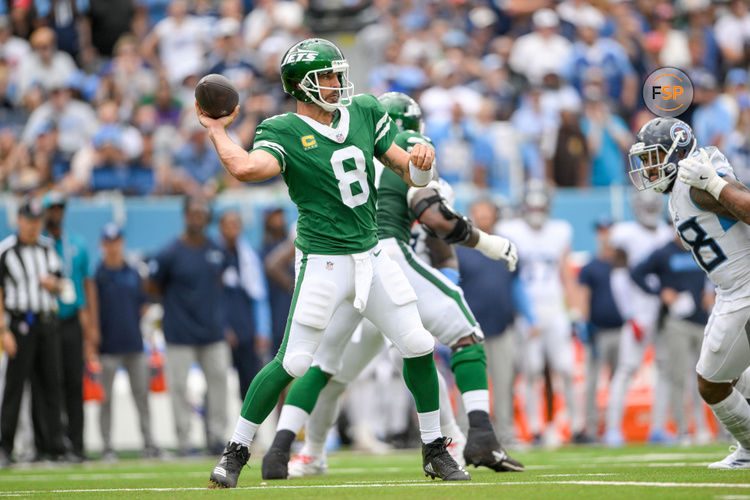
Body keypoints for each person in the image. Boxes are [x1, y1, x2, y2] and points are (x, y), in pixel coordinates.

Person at [199, 38, 471, 487]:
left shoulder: (363, 110)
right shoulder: (282, 129)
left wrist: (423, 163)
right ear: (300, 86)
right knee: (294, 362)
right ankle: (236, 451)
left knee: (418, 344)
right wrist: (216, 130)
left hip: (372, 253)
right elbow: (246, 169)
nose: (336, 83)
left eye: (337, 74)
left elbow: (410, 172)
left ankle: (434, 450)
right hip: (324, 259)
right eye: (325, 76)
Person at [261, 93, 522, 480]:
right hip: (389, 265)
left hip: (344, 262)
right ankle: (473, 437)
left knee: (325, 369)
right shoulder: (408, 146)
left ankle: (290, 450)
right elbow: (434, 217)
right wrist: (487, 243)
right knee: (452, 339)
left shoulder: (347, 144)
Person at [627, 116, 750, 468]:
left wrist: (714, 184)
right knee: (736, 375)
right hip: (733, 290)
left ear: (677, 151)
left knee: (712, 383)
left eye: (654, 157)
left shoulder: (697, 183)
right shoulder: (689, 179)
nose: (648, 167)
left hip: (743, 289)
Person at [146, 196, 231, 456]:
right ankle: (184, 441)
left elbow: (218, 280)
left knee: (218, 385)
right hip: (179, 332)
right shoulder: (169, 253)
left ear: (207, 217)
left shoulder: (217, 250)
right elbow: (151, 286)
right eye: (192, 213)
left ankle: (216, 437)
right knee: (180, 388)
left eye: (201, 213)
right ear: (185, 216)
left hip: (212, 331)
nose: (197, 217)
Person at [498, 181, 581, 447]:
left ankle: (575, 426)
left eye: (540, 205)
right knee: (531, 370)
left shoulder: (559, 231)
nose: (535, 210)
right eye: (531, 205)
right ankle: (535, 428)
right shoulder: (510, 230)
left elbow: (565, 272)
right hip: (527, 310)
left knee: (566, 368)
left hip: (555, 306)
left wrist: (575, 310)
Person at [457, 199, 536, 446]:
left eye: (486, 213)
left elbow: (516, 285)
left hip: (502, 326)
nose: (482, 217)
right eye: (478, 213)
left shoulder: (505, 246)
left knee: (504, 384)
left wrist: (530, 317)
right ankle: (464, 434)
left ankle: (505, 434)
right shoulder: (459, 248)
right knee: (468, 384)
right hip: (469, 329)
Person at [604, 189, 673, 446]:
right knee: (626, 369)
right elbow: (619, 277)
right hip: (638, 312)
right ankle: (612, 429)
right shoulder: (625, 234)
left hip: (665, 313)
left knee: (666, 369)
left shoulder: (668, 234)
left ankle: (658, 427)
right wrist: (629, 314)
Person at [0, 198, 66, 467]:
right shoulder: (6, 251)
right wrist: (3, 330)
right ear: (19, 220)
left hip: (46, 322)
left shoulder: (48, 249)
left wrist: (55, 285)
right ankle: (5, 447)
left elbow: (62, 286)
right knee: (15, 388)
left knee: (50, 385)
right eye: (28, 220)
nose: (32, 226)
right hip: (19, 324)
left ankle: (52, 447)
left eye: (37, 222)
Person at [630, 233, 712, 445]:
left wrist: (714, 292)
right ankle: (684, 429)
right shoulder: (663, 252)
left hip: (704, 321)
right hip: (677, 323)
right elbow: (637, 273)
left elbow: (720, 272)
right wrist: (659, 292)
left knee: (710, 377)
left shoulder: (701, 248)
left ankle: (708, 428)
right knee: (678, 377)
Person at [40, 191, 97, 462]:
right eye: (51, 208)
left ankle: (77, 444)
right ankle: (50, 444)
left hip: (72, 318)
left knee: (75, 383)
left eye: (59, 208)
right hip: (45, 320)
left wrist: (91, 328)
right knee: (49, 384)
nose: (56, 212)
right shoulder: (37, 245)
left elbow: (86, 284)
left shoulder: (77, 244)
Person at [94, 223, 159, 460]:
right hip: (108, 347)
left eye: (116, 241)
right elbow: (93, 310)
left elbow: (143, 304)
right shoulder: (98, 275)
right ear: (103, 245)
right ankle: (107, 445)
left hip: (134, 344)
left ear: (121, 242)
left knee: (141, 396)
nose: (113, 246)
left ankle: (149, 443)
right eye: (109, 242)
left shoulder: (132, 272)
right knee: (106, 399)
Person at [575, 217, 625, 441]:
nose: (606, 235)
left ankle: (616, 428)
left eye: (610, 230)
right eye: (603, 231)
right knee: (593, 382)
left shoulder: (623, 264)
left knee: (619, 383)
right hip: (599, 331)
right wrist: (584, 324)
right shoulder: (590, 267)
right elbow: (583, 298)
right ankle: (593, 428)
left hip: (623, 331)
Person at [218, 209, 272, 398]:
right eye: (228, 226)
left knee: (250, 385)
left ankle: (250, 427)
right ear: (220, 228)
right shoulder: (213, 256)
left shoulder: (249, 257)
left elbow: (259, 297)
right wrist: (222, 327)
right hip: (221, 332)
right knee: (216, 385)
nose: (232, 230)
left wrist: (262, 330)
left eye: (235, 226)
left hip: (247, 330)